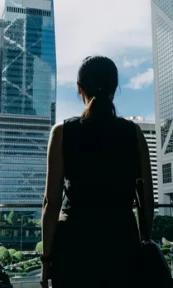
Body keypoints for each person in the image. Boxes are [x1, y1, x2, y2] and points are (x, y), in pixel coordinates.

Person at [40, 55, 155, 288]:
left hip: (74, 246)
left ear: (78, 88)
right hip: (122, 242)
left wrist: (46, 260)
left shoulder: (62, 133)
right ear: (115, 89)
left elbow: (50, 203)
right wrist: (143, 241)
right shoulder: (133, 134)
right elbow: (147, 201)